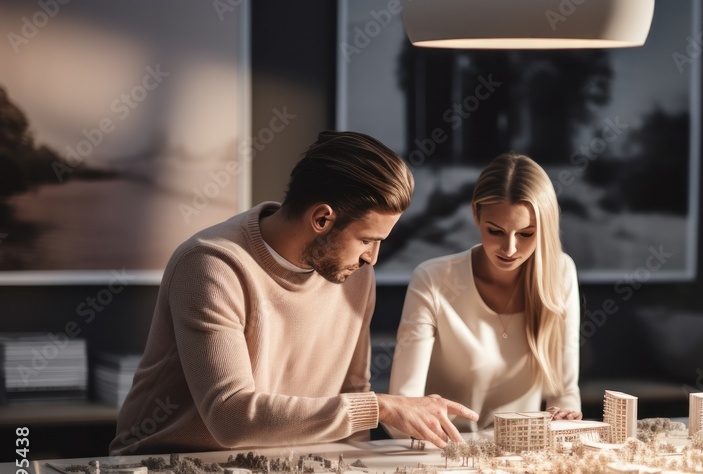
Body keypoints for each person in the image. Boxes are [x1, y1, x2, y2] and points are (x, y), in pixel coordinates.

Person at [109, 131, 477, 456]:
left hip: (288, 467)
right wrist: (381, 407)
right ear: (322, 219)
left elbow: (352, 390)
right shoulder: (212, 266)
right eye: (367, 240)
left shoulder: (356, 275)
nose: (372, 257)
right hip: (164, 468)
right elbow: (231, 418)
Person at [389, 153, 581, 433]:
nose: (510, 249)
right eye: (496, 231)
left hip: (521, 453)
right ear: (476, 215)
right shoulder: (433, 280)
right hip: (442, 451)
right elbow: (402, 408)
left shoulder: (561, 273)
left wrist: (563, 415)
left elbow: (565, 393)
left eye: (526, 234)